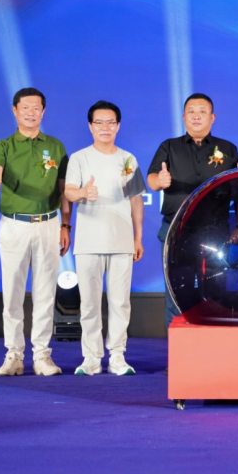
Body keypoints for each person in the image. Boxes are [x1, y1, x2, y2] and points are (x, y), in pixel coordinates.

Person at [0, 87, 72, 376]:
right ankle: (13, 355)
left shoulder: (56, 146)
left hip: (48, 223)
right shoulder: (4, 145)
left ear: (43, 112)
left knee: (45, 293)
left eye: (36, 108)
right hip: (14, 224)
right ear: (15, 110)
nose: (31, 112)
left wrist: (65, 225)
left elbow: (63, 190)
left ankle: (42, 356)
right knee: (12, 292)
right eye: (25, 107)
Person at [147, 93, 238, 333]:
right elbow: (152, 179)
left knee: (215, 289)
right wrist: (160, 181)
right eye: (191, 111)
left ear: (212, 117)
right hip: (176, 230)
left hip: (215, 231)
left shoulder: (228, 148)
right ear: (184, 117)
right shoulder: (169, 146)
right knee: (176, 290)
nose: (196, 116)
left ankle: (212, 348)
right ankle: (178, 351)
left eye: (202, 111)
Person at [64, 100, 146, 376]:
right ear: (90, 126)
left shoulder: (128, 159)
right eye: (99, 122)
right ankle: (91, 358)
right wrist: (82, 193)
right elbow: (69, 192)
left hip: (121, 241)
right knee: (89, 303)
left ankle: (117, 357)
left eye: (110, 122)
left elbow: (136, 200)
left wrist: (138, 237)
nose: (105, 128)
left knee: (120, 302)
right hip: (88, 242)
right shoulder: (79, 158)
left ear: (118, 126)